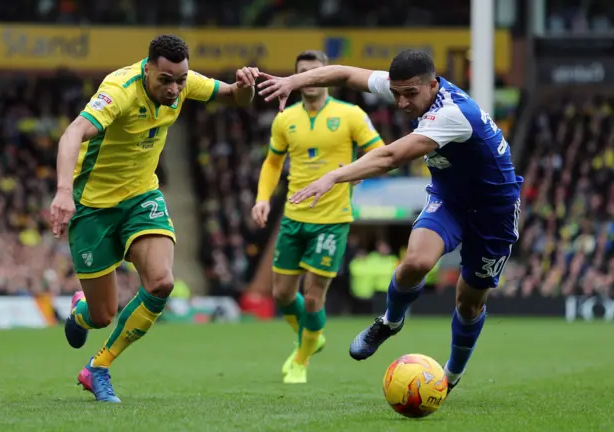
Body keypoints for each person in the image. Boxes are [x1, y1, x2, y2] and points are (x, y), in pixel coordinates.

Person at [258, 49, 522, 394]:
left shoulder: (454, 114)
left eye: (410, 94)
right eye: (396, 93)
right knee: (415, 261)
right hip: (451, 199)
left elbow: (391, 156)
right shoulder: (408, 88)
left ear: (433, 85)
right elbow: (344, 74)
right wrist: (293, 81)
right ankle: (390, 321)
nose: (402, 103)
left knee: (469, 301)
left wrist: (332, 177)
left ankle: (452, 374)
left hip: (494, 211)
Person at [50, 34, 259, 402]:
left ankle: (98, 367)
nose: (175, 89)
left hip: (141, 197)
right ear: (148, 69)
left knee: (162, 283)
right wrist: (64, 192)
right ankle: (81, 312)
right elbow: (72, 133)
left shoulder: (183, 82)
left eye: (181, 80)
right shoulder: (119, 90)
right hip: (92, 207)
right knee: (103, 315)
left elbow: (235, 98)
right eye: (166, 80)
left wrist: (246, 87)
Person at [251, 50, 384, 384]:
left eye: (314, 72)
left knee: (313, 296)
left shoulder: (351, 114)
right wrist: (263, 199)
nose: (309, 78)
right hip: (294, 216)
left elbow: (379, 150)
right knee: (282, 294)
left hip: (333, 217)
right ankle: (313, 335)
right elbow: (272, 163)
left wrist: (356, 173)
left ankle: (301, 358)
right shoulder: (285, 119)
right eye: (302, 73)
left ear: (327, 76)